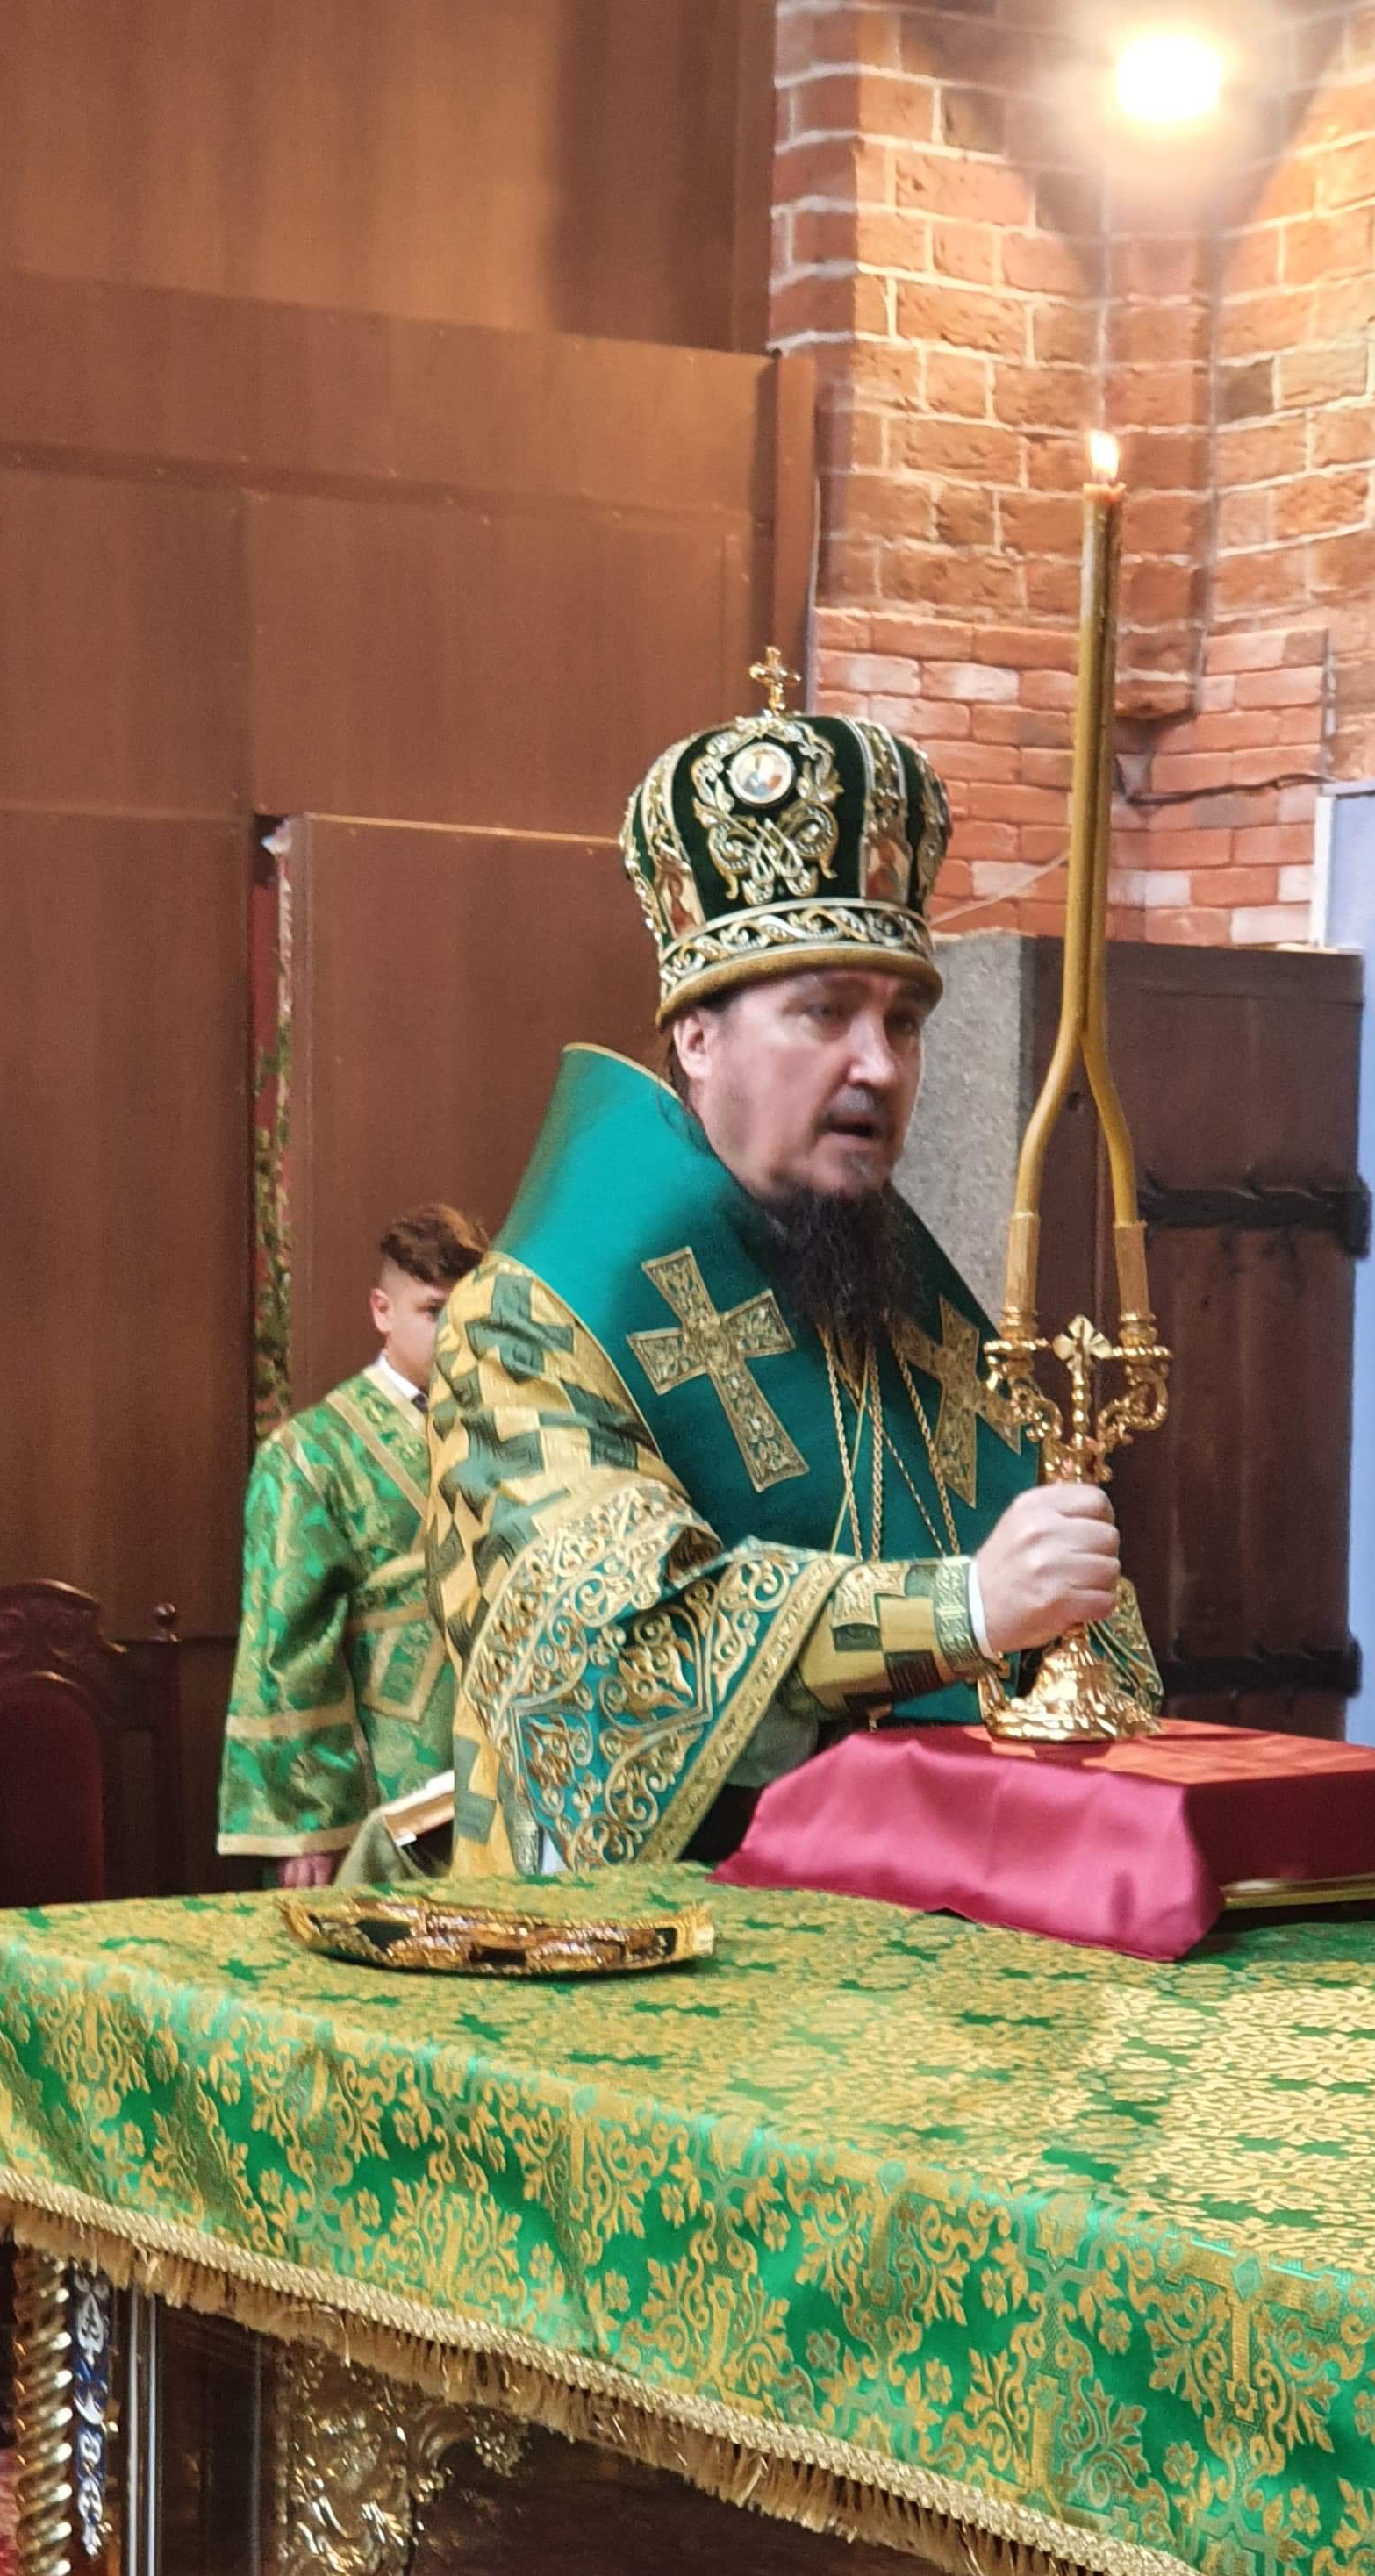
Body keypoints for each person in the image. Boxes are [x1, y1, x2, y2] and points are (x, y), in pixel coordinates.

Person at [426, 669, 1128, 1873]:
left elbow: (1075, 1657)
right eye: (825, 1013)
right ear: (697, 1037)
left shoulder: (898, 1312)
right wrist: (966, 1608)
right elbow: (617, 1665)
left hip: (916, 1927)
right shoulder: (529, 1325)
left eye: (903, 1023)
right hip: (637, 1942)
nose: (881, 1066)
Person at [218, 1202, 486, 1883]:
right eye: (434, 1312)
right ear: (382, 1311)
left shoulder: (505, 1436)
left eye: (469, 1312)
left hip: (499, 1773)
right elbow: (286, 1648)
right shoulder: (312, 1453)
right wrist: (310, 1823)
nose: (456, 1333)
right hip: (383, 1787)